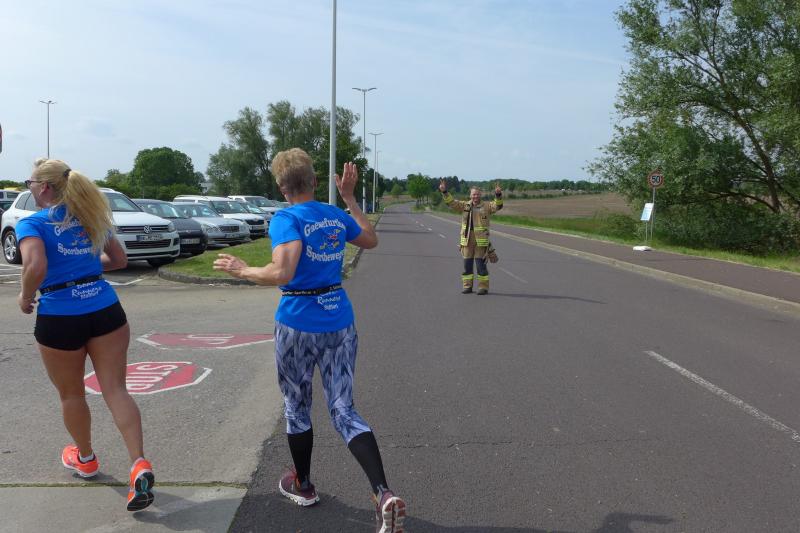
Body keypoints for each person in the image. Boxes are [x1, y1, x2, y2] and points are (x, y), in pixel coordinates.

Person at [214, 148, 406, 533]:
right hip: (339, 321)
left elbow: (282, 272)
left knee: (297, 407)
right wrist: (349, 198)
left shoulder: (287, 219)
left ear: (281, 187)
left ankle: (302, 485)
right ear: (316, 182)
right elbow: (370, 240)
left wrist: (243, 269)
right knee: (344, 410)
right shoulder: (334, 214)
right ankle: (382, 493)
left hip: (297, 324)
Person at [16, 158, 155, 512]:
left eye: (30, 183)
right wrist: (87, 270)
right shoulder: (91, 216)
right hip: (105, 309)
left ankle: (86, 458)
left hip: (60, 316)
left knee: (72, 394)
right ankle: (139, 462)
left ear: (45, 187)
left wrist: (26, 295)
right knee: (116, 389)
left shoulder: (33, 223)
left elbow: (35, 266)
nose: (29, 188)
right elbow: (119, 260)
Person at [439, 179, 503, 294]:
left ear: (480, 195)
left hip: (481, 242)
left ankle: (483, 287)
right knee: (467, 266)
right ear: (470, 195)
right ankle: (467, 286)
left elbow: (498, 206)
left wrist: (498, 194)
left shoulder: (487, 206)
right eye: (473, 194)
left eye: (477, 194)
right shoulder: (464, 205)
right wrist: (444, 192)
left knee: (480, 266)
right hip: (467, 240)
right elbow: (451, 203)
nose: (475, 196)